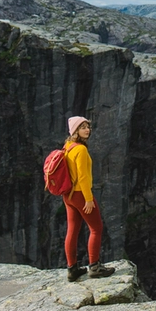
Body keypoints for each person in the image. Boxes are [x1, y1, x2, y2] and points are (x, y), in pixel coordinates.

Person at [62, 116, 115, 282]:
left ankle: (72, 269)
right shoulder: (81, 150)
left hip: (68, 195)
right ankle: (94, 267)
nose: (87, 130)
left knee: (72, 230)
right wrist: (89, 199)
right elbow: (83, 177)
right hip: (79, 194)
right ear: (75, 131)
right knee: (96, 228)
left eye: (88, 127)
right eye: (83, 127)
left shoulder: (68, 146)